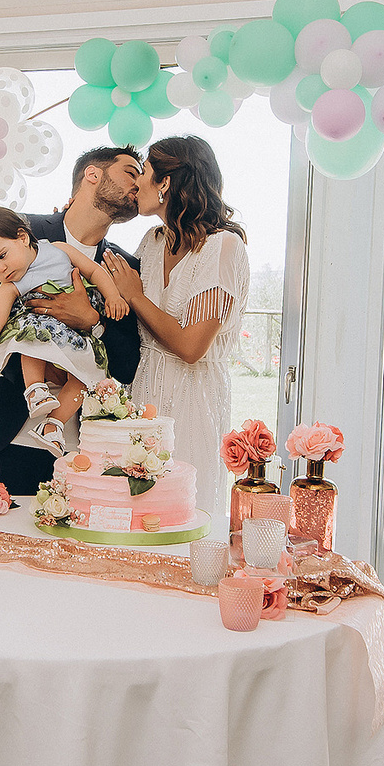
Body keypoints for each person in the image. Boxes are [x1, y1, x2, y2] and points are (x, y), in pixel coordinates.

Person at [0, 146, 146, 495]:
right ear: (93, 175)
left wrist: (92, 321)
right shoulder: (10, 235)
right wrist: (30, 361)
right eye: (131, 172)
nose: (139, 184)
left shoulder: (123, 267)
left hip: (80, 454)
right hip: (4, 438)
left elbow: (127, 364)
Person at [122, 136, 251, 514]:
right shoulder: (151, 240)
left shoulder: (222, 248)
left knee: (183, 514)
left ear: (165, 183)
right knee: (135, 514)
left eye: (143, 173)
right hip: (141, 394)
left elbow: (192, 348)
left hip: (192, 401)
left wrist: (136, 296)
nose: (136, 184)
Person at [0, 205, 130, 454]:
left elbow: (93, 271)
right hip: (43, 330)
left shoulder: (59, 250)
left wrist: (112, 296)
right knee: (30, 338)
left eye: (2, 256)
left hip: (76, 335)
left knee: (85, 375)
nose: (0, 270)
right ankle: (35, 390)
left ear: (23, 237)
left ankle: (53, 425)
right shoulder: (12, 285)